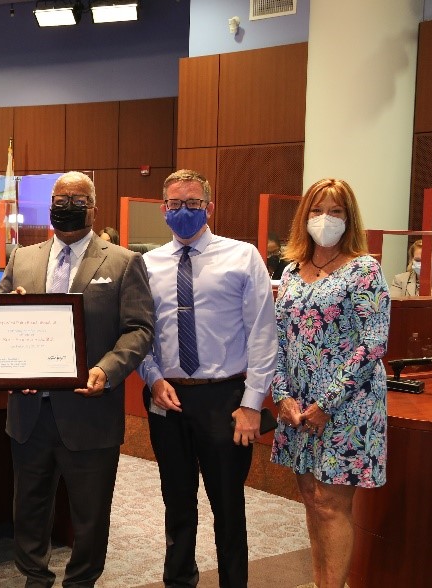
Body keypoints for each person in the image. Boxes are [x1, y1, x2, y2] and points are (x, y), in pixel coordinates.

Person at [0, 171, 155, 587]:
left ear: (93, 208)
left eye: (77, 198)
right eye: (59, 197)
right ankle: (34, 577)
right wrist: (11, 366)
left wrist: (107, 368)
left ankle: (82, 580)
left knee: (90, 512)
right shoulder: (21, 259)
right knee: (28, 507)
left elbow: (139, 328)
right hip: (30, 409)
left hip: (91, 409)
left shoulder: (123, 262)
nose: (66, 205)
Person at [138, 169, 276, 588]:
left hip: (225, 400)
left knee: (228, 506)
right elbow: (141, 333)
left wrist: (252, 404)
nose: (184, 211)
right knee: (176, 502)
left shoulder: (243, 256)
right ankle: (179, 580)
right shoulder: (146, 264)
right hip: (168, 398)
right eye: (175, 204)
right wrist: (153, 378)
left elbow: (263, 333)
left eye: (193, 204)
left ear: (209, 208)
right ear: (164, 210)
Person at [271, 178, 390, 588]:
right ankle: (323, 582)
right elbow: (279, 338)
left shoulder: (364, 270)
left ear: (349, 218)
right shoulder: (289, 271)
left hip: (346, 406)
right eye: (318, 210)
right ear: (304, 216)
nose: (325, 219)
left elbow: (373, 343)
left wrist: (328, 403)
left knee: (332, 504)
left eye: (335, 211)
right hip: (299, 407)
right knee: (311, 498)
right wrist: (282, 395)